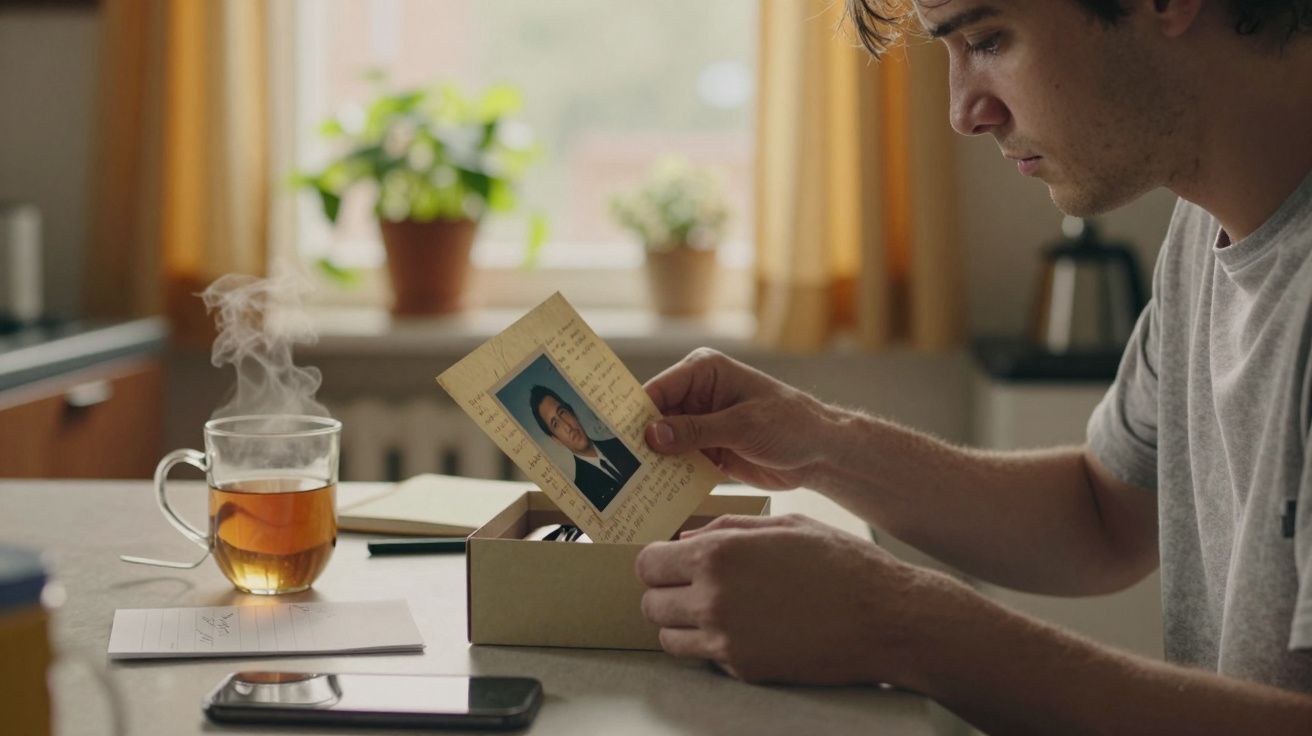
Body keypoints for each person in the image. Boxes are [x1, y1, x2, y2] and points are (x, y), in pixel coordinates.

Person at [633, 0, 1312, 732]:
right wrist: (816, 438)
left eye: (989, 39)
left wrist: (897, 623)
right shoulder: (1207, 228)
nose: (964, 112)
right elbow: (1101, 513)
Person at [530, 384, 640, 511]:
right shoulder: (581, 493)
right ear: (556, 439)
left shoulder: (623, 445)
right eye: (555, 424)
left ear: (572, 413)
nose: (567, 427)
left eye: (562, 413)